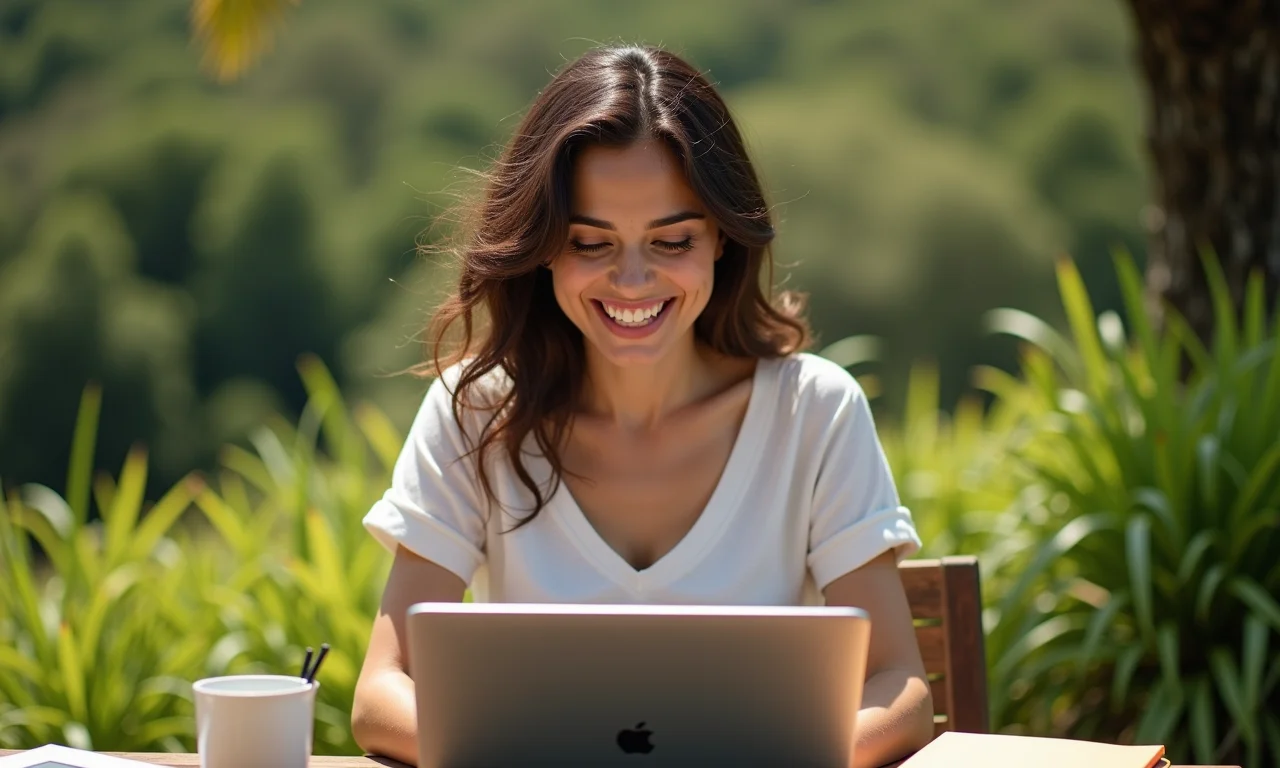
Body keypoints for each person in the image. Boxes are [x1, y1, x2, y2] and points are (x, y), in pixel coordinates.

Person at [351, 44, 934, 768]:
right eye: (591, 242)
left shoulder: (815, 412)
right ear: (542, 250)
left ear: (722, 236)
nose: (631, 280)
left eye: (671, 239)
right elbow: (380, 693)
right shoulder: (476, 412)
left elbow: (901, 688)